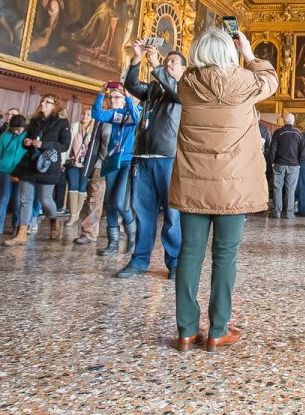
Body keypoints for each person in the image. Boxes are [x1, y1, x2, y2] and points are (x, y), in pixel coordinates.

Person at [169, 27, 277, 352]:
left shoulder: (186, 84)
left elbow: (190, 71)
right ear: (231, 53)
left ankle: (186, 331)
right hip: (234, 187)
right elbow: (270, 80)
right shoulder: (246, 83)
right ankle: (218, 330)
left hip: (193, 184)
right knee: (225, 256)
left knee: (189, 254)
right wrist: (248, 54)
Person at [118, 41, 185, 278]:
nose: (168, 64)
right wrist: (137, 58)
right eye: (166, 61)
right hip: (142, 155)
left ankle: (175, 262)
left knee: (171, 213)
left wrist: (156, 63)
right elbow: (131, 84)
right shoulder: (153, 91)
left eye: (172, 62)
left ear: (182, 71)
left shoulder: (183, 89)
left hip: (167, 157)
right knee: (143, 212)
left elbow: (172, 88)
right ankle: (139, 260)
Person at [4, 94, 71, 246]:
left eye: (48, 102)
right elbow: (25, 140)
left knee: (45, 199)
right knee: (24, 199)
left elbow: (64, 145)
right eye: (43, 101)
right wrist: (27, 142)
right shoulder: (34, 121)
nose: (43, 104)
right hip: (29, 164)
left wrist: (43, 144)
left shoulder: (62, 123)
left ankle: (54, 219)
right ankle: (21, 233)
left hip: (48, 165)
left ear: (55, 106)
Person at [82, 85, 138, 254]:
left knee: (121, 201)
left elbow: (137, 118)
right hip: (111, 160)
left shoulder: (135, 110)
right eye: (110, 97)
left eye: (116, 98)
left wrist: (128, 98)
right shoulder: (113, 115)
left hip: (127, 161)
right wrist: (100, 94)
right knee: (110, 203)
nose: (112, 100)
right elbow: (97, 114)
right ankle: (112, 242)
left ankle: (133, 236)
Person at [0, 115, 27, 239]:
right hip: (4, 171)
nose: (17, 132)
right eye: (14, 129)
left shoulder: (27, 136)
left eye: (19, 129)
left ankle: (16, 227)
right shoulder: (5, 135)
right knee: (2, 199)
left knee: (18, 201)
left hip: (21, 172)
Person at [65, 108, 96, 227]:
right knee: (73, 186)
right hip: (73, 161)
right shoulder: (75, 126)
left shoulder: (93, 130)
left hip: (86, 163)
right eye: (83, 113)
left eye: (88, 115)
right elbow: (69, 144)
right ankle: (72, 215)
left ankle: (77, 213)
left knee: (82, 187)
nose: (85, 116)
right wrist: (67, 158)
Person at [269, 114, 302, 219]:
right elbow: (302, 151)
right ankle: (289, 213)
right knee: (291, 189)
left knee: (277, 188)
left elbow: (272, 148)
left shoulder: (278, 132)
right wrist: (299, 162)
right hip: (293, 165)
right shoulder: (298, 134)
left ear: (284, 121)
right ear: (293, 121)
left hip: (279, 163)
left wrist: (272, 162)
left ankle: (276, 212)